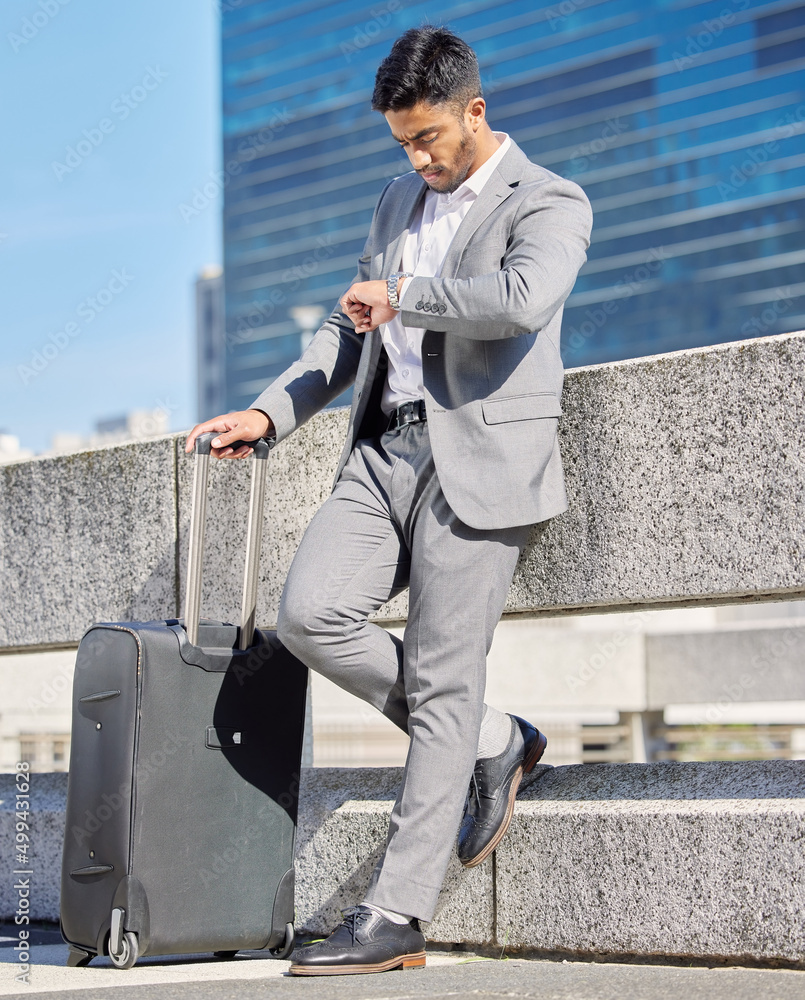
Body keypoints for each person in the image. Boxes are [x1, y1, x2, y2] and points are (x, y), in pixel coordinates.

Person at [186, 26, 592, 977]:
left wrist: (403, 292)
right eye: (402, 144)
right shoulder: (395, 199)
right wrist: (268, 411)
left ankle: (397, 913)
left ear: (474, 111)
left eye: (429, 139)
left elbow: (521, 299)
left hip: (481, 464)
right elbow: (347, 324)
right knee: (309, 615)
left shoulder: (553, 200)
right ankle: (495, 739)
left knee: (446, 680)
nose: (417, 159)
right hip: (382, 450)